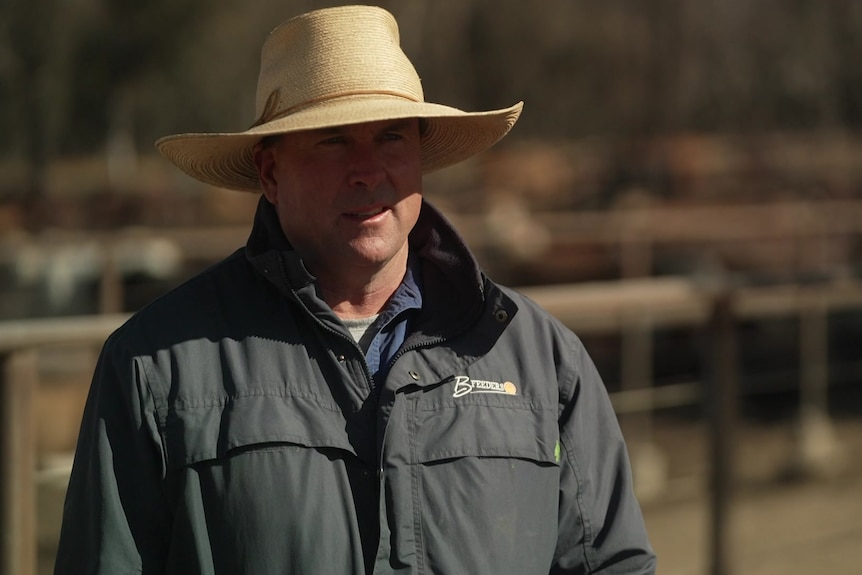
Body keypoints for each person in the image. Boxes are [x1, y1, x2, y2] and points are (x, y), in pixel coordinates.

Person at [54, 5, 656, 574]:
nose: (368, 169)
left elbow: (608, 562)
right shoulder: (156, 366)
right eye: (334, 139)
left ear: (420, 155)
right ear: (270, 172)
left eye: (393, 136)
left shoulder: (541, 358)